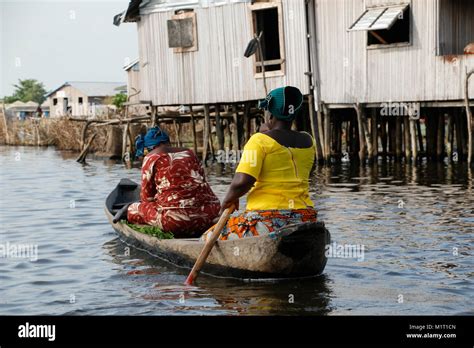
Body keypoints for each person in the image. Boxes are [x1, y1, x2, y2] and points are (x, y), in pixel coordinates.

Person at [201, 86, 317, 242]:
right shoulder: (309, 141)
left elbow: (242, 182)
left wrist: (227, 202)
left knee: (206, 238)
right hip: (305, 216)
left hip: (269, 219)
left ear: (269, 115)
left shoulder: (259, 140)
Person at [127, 126, 221, 238]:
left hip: (174, 221)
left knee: (132, 209)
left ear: (150, 147)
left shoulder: (151, 157)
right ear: (168, 142)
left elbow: (146, 198)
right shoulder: (190, 153)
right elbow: (200, 183)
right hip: (211, 216)